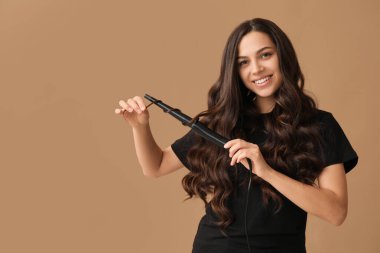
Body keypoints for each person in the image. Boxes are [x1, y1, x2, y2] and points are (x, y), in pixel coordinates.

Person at [115, 18, 358, 253]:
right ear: (235, 71)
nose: (256, 68)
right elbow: (155, 166)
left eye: (265, 55)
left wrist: (267, 172)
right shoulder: (222, 122)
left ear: (283, 56)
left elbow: (336, 212)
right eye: (243, 62)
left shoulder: (319, 125)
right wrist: (140, 127)